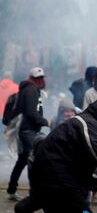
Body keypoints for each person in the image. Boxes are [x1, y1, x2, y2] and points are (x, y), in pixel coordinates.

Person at [26, 96, 97, 213]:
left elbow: (82, 161)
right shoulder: (86, 124)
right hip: (59, 181)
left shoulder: (86, 123)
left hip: (57, 179)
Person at [6, 67, 49, 201]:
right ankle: (34, 195)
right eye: (37, 78)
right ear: (31, 79)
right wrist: (45, 122)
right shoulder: (30, 90)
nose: (40, 80)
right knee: (34, 160)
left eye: (42, 78)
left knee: (23, 160)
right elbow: (31, 113)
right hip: (28, 131)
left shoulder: (30, 89)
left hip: (28, 130)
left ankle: (12, 190)